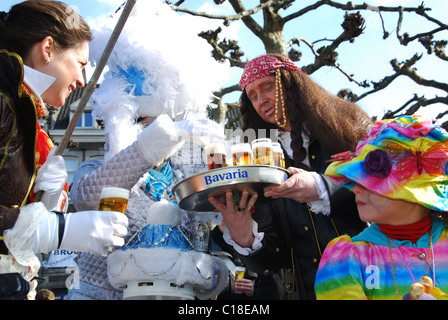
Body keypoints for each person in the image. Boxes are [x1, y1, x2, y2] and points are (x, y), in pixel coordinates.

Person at [66, 0, 229, 300]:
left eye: (164, 124)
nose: (156, 130)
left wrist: (215, 276)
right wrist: (162, 136)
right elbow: (92, 197)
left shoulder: (186, 181)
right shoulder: (95, 172)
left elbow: (211, 241)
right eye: (144, 123)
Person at [209, 54, 372, 299]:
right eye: (253, 95)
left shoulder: (349, 123)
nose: (261, 99)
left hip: (371, 279)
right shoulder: (258, 161)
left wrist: (321, 188)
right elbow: (273, 263)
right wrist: (245, 238)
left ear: (292, 83)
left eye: (267, 87)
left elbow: (388, 187)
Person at [0, 0, 128, 299]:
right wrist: (51, 229)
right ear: (48, 49)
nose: (82, 80)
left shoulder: (24, 110)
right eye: (81, 63)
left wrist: (41, 203)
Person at [315, 115, 448, 300]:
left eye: (372, 179)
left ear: (416, 189)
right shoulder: (346, 259)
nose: (356, 188)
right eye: (357, 179)